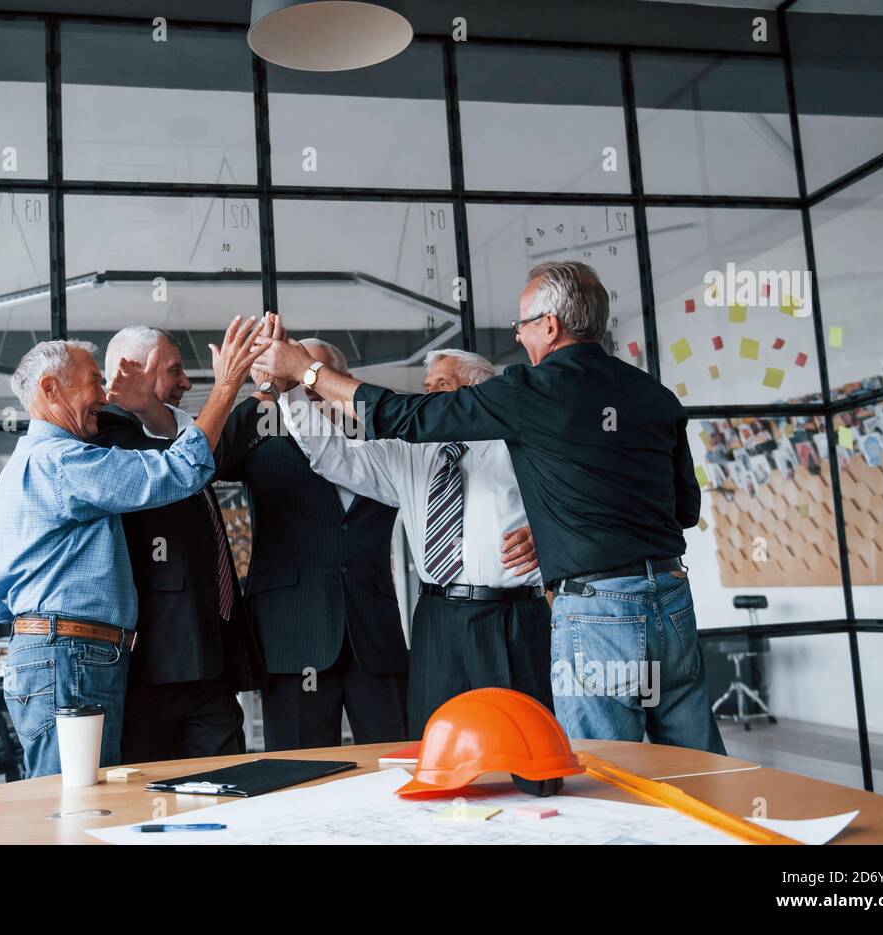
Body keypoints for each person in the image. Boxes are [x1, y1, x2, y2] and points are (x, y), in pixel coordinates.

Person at [253, 262, 727, 754]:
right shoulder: (655, 394)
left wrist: (308, 370)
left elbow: (402, 413)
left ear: (549, 325)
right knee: (693, 759)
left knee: (599, 767)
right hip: (667, 599)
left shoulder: (528, 401)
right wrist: (295, 393)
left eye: (522, 324)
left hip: (571, 613)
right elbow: (682, 508)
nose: (519, 337)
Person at [0, 317, 264, 776]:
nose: (104, 393)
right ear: (51, 389)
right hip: (67, 653)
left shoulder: (41, 458)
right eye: (95, 381)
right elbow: (181, 470)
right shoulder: (63, 461)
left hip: (64, 650)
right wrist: (228, 383)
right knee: (71, 804)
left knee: (83, 798)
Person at [276, 346, 548, 738]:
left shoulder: (522, 447)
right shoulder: (408, 453)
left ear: (481, 393)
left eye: (443, 384)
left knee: (524, 743)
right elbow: (333, 456)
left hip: (512, 618)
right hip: (435, 620)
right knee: (438, 742)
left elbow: (580, 500)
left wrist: (547, 534)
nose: (429, 395)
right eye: (426, 387)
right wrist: (292, 395)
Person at [216, 329, 409, 751]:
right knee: (298, 775)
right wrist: (265, 394)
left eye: (315, 378)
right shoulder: (262, 437)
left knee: (396, 762)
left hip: (373, 632)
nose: (312, 392)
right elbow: (206, 463)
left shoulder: (387, 442)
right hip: (292, 632)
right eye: (299, 380)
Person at [94, 326, 264, 763]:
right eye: (175, 371)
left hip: (208, 662)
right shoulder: (106, 440)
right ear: (133, 370)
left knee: (229, 789)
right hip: (154, 668)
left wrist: (151, 405)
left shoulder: (166, 436)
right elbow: (181, 464)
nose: (187, 382)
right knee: (154, 806)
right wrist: (226, 386)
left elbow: (191, 450)